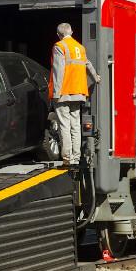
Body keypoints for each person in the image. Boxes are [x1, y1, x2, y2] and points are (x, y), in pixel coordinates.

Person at [48, 23, 100, 166]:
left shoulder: (60, 46)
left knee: (64, 125)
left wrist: (56, 93)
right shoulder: (80, 48)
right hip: (78, 92)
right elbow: (87, 64)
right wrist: (96, 77)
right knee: (75, 125)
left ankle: (67, 158)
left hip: (63, 92)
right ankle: (76, 158)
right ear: (71, 32)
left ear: (59, 34)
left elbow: (59, 71)